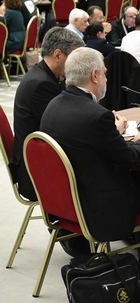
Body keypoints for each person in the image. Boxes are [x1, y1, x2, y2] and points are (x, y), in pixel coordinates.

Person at [40, 47, 140, 291]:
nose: (107, 79)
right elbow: (129, 158)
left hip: (68, 201)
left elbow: (87, 141)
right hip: (99, 205)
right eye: (105, 74)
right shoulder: (96, 115)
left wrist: (113, 133)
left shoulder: (54, 105)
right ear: (95, 75)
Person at [10, 28, 85, 202]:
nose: (76, 66)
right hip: (35, 170)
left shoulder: (43, 76)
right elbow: (62, 129)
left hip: (37, 158)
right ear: (58, 55)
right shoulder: (42, 84)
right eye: (73, 59)